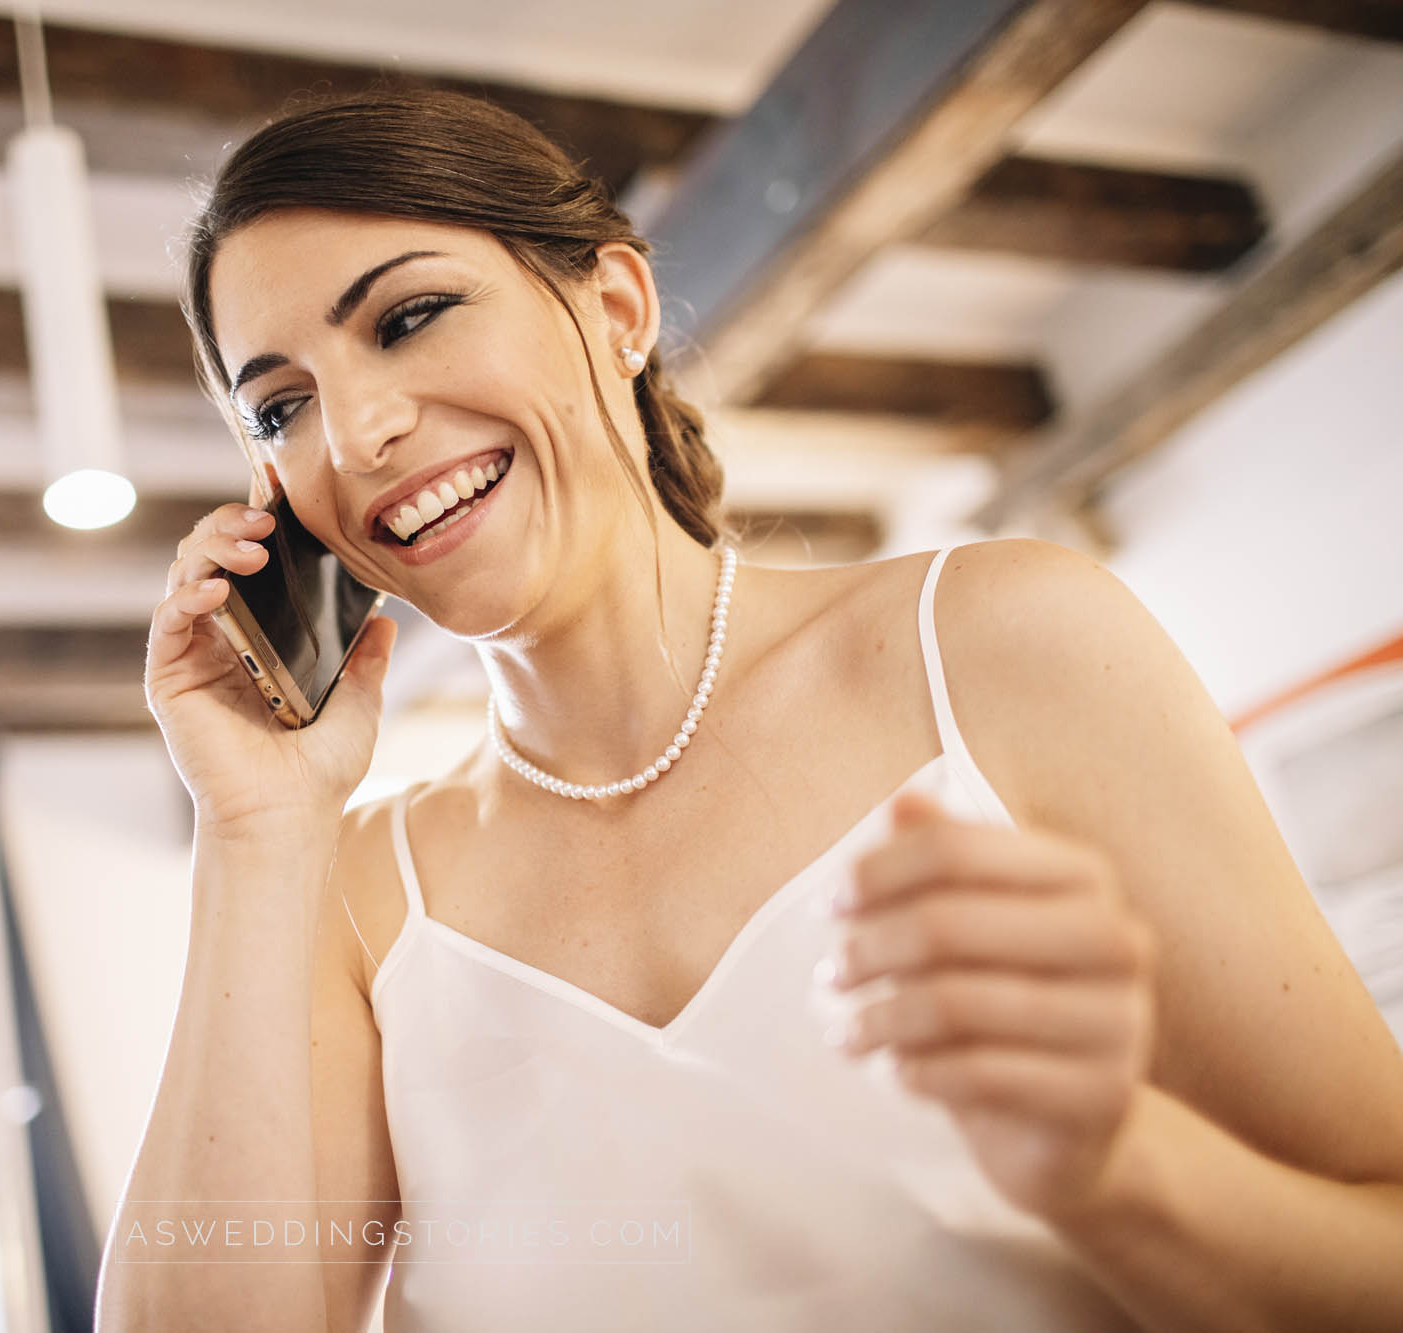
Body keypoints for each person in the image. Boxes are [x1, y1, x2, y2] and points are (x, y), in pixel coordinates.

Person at [99, 89, 1403, 1332]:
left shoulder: (1000, 643)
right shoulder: (354, 899)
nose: (359, 432)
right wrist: (255, 830)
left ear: (615, 306)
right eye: (281, 406)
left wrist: (1121, 1167)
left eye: (406, 317)